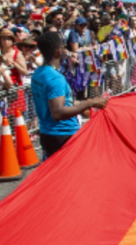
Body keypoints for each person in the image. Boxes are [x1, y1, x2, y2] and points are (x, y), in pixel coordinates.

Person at [30, 31, 108, 160]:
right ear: (58, 52)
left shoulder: (38, 73)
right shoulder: (55, 78)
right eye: (62, 47)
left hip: (48, 133)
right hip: (63, 135)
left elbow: (54, 102)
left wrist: (81, 103)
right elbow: (58, 113)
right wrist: (89, 104)